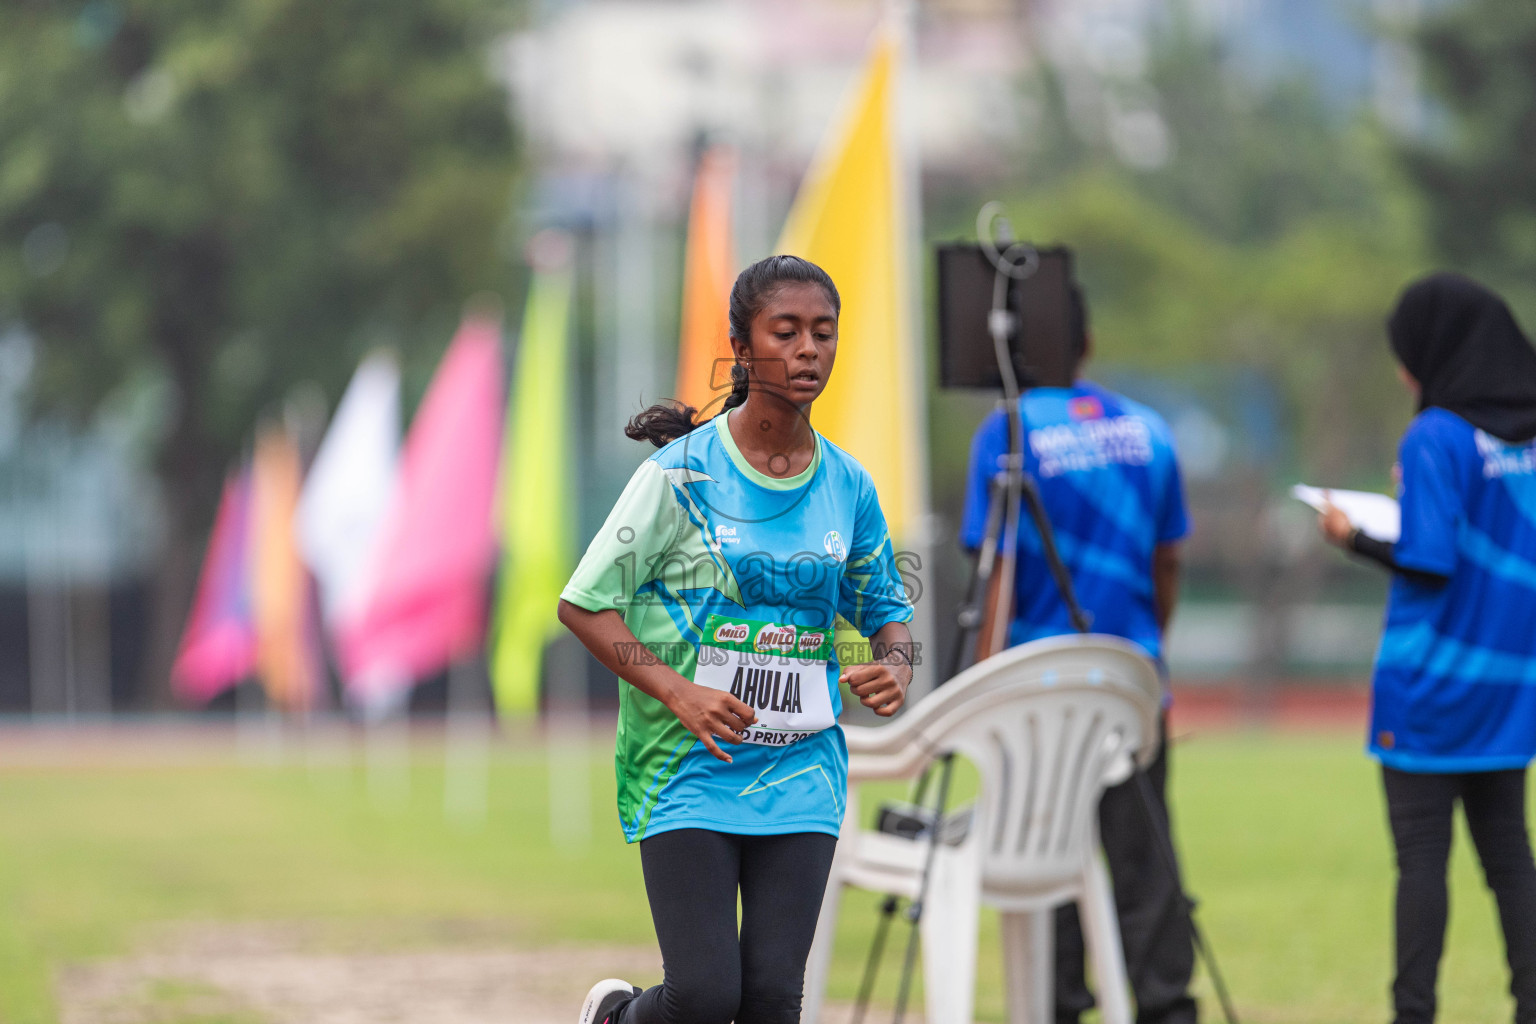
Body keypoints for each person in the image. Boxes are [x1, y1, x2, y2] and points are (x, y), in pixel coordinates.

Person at [560, 254, 916, 1024]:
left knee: (770, 1001)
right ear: (742, 345)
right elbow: (587, 606)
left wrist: (893, 663)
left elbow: (886, 611)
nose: (807, 350)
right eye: (784, 332)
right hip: (688, 764)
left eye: (823, 333)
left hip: (802, 769)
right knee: (705, 995)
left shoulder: (849, 485)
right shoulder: (680, 477)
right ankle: (616, 1018)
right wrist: (680, 691)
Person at [959, 285, 1198, 1024]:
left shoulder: (1006, 431)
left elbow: (994, 577)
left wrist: (976, 689)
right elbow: (1168, 562)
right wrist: (1148, 648)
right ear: (1086, 343)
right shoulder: (1150, 430)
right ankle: (1165, 1007)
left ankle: (1058, 1006)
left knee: (1048, 863)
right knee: (1145, 865)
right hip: (1128, 687)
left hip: (1038, 696)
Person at [1315, 272, 1536, 1024]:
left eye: (1409, 355)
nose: (1406, 371)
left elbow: (1429, 561)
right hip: (1509, 687)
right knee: (1511, 860)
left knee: (1420, 864)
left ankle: (1414, 1015)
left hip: (1430, 686)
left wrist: (1354, 536)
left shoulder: (1436, 433)